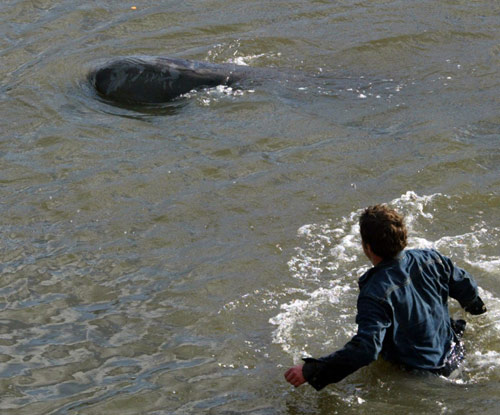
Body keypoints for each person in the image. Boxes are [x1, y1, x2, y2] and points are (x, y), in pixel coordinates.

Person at [284, 204, 487, 390]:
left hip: (426, 377)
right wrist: (477, 309)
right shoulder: (433, 259)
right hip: (457, 353)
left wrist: (312, 370)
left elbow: (367, 349)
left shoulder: (374, 293)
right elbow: (467, 288)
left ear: (368, 247)